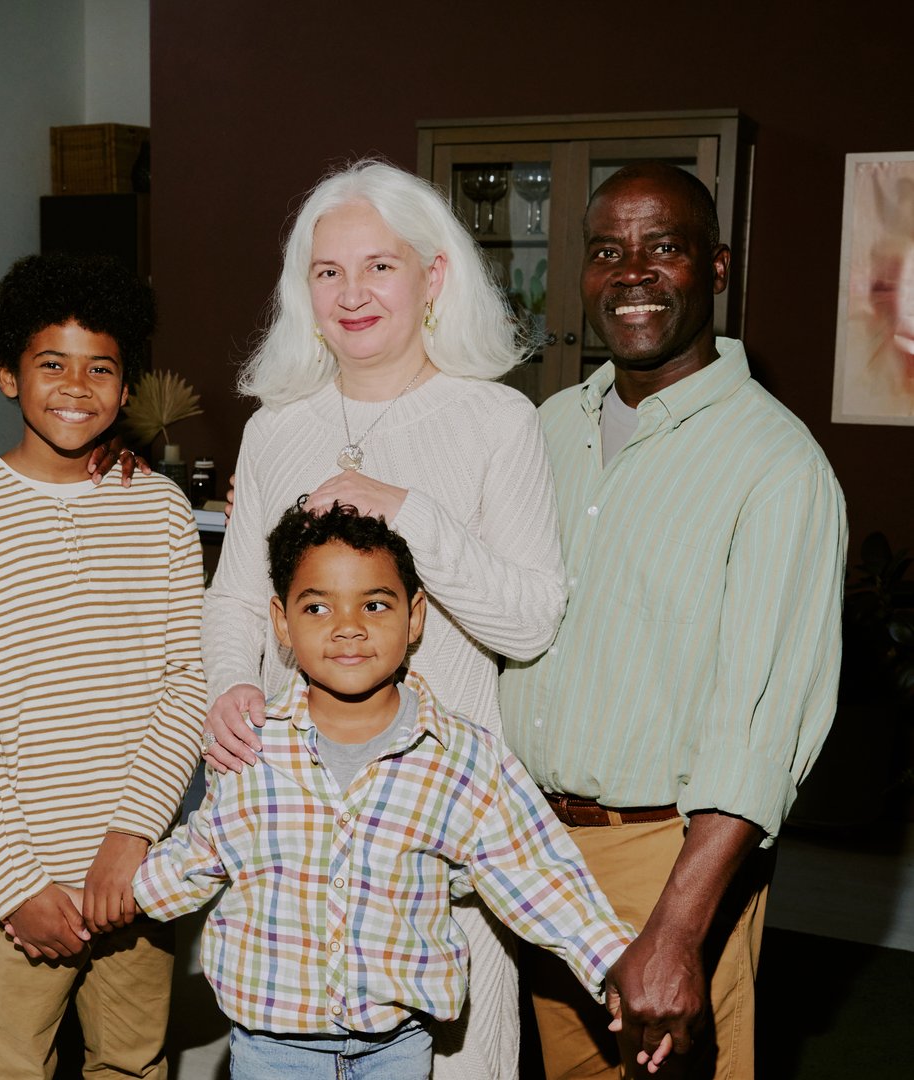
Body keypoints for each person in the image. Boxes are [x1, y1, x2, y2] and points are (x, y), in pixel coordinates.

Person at [200, 158, 566, 1076]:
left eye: (379, 266)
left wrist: (408, 512)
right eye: (328, 271)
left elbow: (529, 620)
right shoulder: (274, 427)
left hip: (441, 840)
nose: (352, 293)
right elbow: (237, 596)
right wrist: (231, 682)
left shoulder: (498, 420)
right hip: (296, 837)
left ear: (434, 276)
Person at [499, 161, 848, 1079]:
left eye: (664, 247)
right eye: (607, 251)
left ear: (718, 268)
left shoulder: (779, 467)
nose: (632, 274)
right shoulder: (548, 428)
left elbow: (760, 734)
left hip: (663, 860)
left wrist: (679, 928)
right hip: (528, 849)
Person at [137, 503, 639, 1080]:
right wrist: (110, 894)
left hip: (397, 1050)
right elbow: (197, 855)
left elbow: (537, 873)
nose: (347, 626)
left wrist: (615, 963)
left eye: (374, 605)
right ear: (281, 622)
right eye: (318, 606)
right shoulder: (251, 749)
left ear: (414, 616)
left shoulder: (462, 758)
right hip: (271, 1050)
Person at [0, 253, 206, 1080]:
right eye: (52, 364)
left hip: (135, 873)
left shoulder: (160, 508)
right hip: (18, 886)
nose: (76, 387)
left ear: (126, 389)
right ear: (9, 375)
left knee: (134, 1064)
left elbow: (184, 685)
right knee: (5, 1068)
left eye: (101, 369)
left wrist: (130, 838)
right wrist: (13, 884)